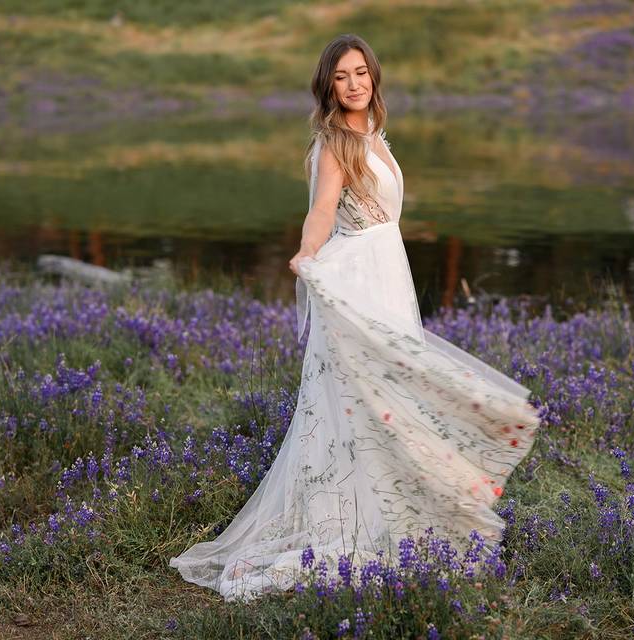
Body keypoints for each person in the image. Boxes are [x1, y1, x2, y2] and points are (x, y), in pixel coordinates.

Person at [169, 33, 542, 602]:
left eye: (362, 72)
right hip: (358, 278)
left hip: (385, 271)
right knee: (361, 400)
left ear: (374, 77)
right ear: (328, 85)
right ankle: (354, 519)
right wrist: (305, 254)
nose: (354, 84)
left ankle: (399, 512)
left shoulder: (375, 136)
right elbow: (321, 211)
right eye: (342, 76)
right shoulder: (334, 143)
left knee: (391, 397)